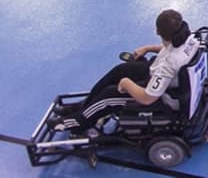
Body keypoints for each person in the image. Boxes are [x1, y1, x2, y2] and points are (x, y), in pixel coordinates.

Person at [49, 10, 199, 133]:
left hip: (161, 98)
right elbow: (171, 49)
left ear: (160, 32)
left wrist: (126, 83)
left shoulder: (169, 64)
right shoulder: (189, 38)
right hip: (162, 75)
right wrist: (148, 48)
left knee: (108, 95)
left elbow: (148, 98)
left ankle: (77, 122)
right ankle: (83, 106)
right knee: (121, 70)